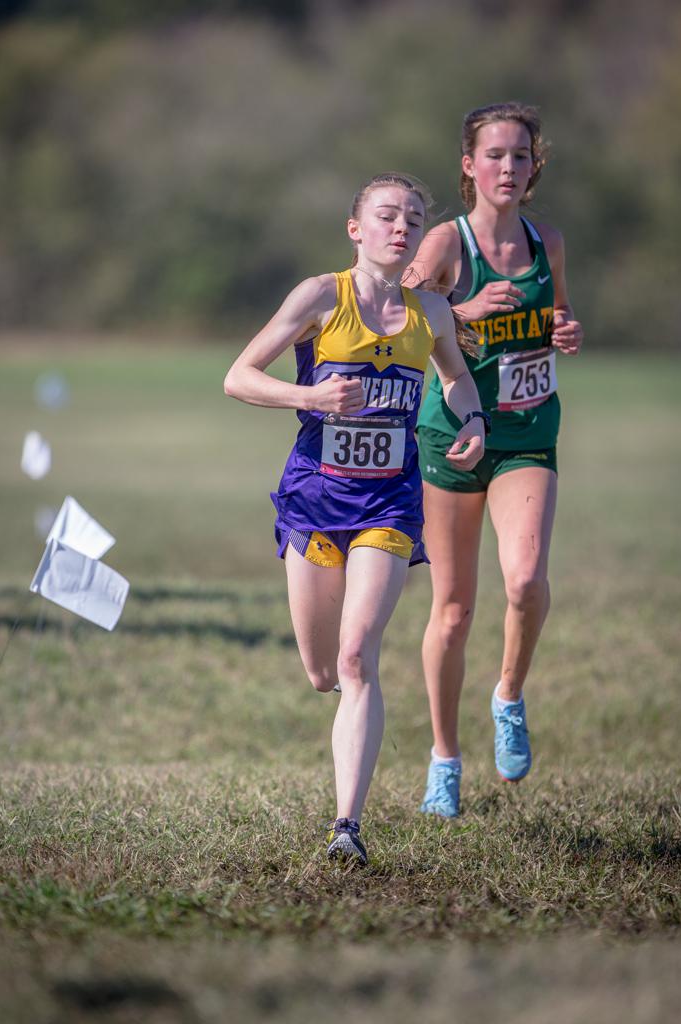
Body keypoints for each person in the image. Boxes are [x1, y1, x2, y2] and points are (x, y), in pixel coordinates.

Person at [224, 173, 487, 864]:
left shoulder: (431, 310)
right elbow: (239, 375)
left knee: (356, 656)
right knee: (321, 670)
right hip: (315, 497)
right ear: (356, 228)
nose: (401, 227)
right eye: (386, 215)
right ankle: (348, 708)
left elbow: (456, 377)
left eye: (414, 217)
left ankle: (347, 828)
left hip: (389, 503)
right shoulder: (319, 296)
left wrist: (476, 418)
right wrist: (308, 395)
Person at [405, 104, 584, 818]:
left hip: (528, 432)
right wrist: (466, 309)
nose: (508, 169)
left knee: (526, 581)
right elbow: (403, 317)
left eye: (520, 156)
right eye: (495, 156)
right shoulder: (448, 243)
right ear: (468, 165)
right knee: (452, 612)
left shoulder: (550, 242)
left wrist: (565, 329)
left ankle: (508, 695)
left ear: (533, 167)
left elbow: (558, 315)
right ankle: (444, 758)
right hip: (452, 434)